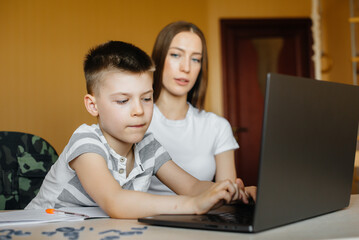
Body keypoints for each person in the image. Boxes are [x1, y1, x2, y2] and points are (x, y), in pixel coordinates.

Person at [25, 40, 251, 219]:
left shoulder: (148, 146)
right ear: (93, 105)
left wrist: (226, 191)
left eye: (146, 98)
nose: (139, 111)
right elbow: (115, 201)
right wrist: (193, 205)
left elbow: (191, 185)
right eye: (123, 101)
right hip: (41, 230)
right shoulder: (85, 142)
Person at [147, 21, 256, 197]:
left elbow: (224, 195)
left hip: (201, 220)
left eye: (195, 59)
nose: (186, 68)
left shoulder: (217, 126)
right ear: (159, 59)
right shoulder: (137, 122)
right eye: (176, 55)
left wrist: (241, 194)